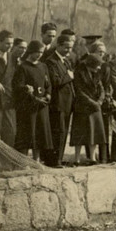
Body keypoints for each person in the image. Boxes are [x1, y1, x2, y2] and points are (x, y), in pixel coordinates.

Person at [10, 40, 53, 162]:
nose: (39, 55)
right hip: (28, 106)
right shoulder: (23, 67)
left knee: (39, 135)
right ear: (31, 51)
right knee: (28, 134)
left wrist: (48, 95)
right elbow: (18, 85)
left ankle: (36, 160)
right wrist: (29, 93)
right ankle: (24, 162)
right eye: (37, 52)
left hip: (42, 105)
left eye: (41, 52)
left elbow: (48, 83)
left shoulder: (43, 66)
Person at [70, 40, 111, 165]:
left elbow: (102, 89)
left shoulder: (96, 74)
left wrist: (99, 100)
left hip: (95, 107)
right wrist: (92, 102)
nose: (99, 68)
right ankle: (76, 159)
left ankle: (92, 158)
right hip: (83, 107)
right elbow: (79, 91)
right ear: (91, 64)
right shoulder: (79, 72)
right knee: (80, 134)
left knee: (94, 134)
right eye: (97, 65)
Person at [43, 33, 76, 167]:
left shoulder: (66, 61)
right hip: (58, 103)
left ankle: (59, 159)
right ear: (59, 45)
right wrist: (69, 76)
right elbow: (55, 81)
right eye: (66, 48)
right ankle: (54, 160)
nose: (69, 50)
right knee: (58, 132)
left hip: (67, 103)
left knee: (63, 132)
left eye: (71, 48)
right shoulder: (51, 61)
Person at [0, 30, 16, 146]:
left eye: (12, 43)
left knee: (10, 133)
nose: (10, 46)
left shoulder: (13, 57)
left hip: (9, 102)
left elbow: (16, 78)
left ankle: (7, 163)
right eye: (7, 43)